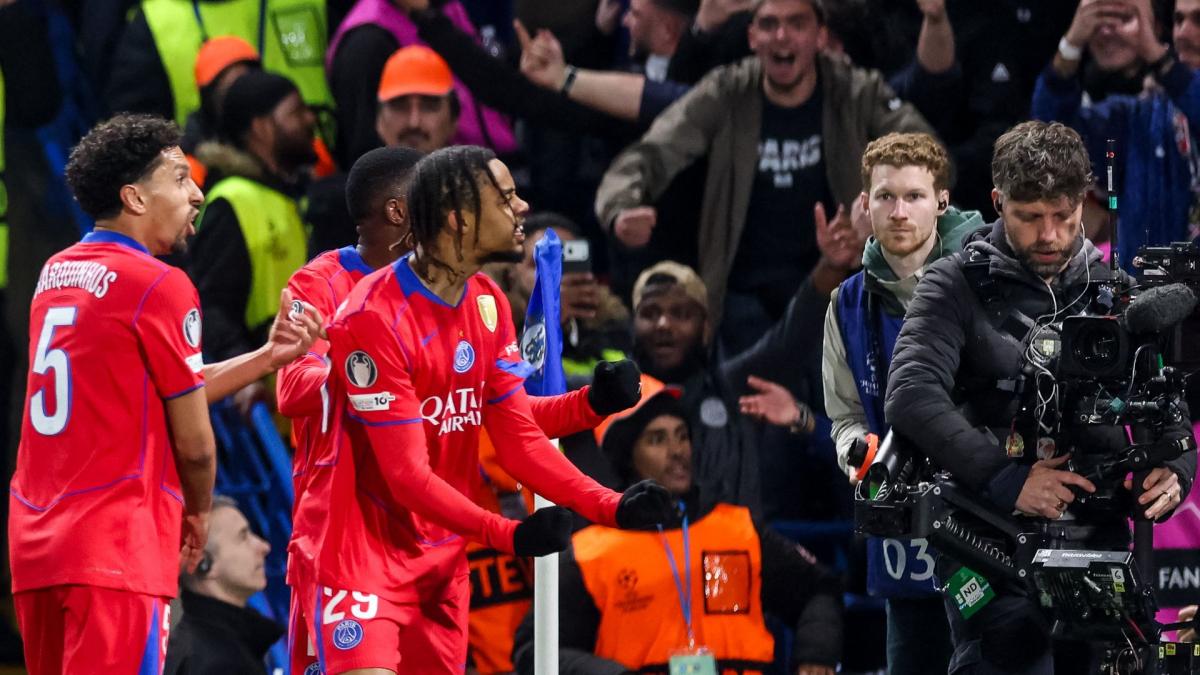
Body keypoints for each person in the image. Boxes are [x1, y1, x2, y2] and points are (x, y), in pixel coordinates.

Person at [279, 146, 643, 675]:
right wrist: (361, 382)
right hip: (352, 543)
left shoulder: (484, 300)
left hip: (440, 546)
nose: (521, 208)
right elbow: (292, 392)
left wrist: (592, 406)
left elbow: (504, 419)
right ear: (411, 209)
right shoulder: (333, 292)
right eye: (504, 197)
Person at [8, 113, 320, 675]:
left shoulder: (55, 273)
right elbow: (196, 444)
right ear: (134, 197)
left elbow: (171, 387)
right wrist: (198, 514)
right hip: (116, 547)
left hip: (38, 548)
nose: (197, 193)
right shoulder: (159, 283)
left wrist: (265, 358)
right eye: (179, 179)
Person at [884, 120, 1197, 674]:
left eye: (1062, 215)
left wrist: (1175, 470)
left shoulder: (1119, 291)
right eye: (1029, 217)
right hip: (991, 542)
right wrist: (1009, 480)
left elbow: (1168, 407)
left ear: (1083, 204)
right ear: (998, 202)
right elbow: (910, 393)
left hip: (1099, 538)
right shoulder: (951, 284)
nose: (1049, 235)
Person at [595, 0, 931, 353]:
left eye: (796, 23)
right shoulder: (727, 90)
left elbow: (928, 156)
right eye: (769, 24)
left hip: (839, 284)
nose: (781, 36)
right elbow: (651, 152)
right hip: (742, 296)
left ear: (820, 36)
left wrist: (881, 205)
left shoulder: (855, 89)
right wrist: (621, 207)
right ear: (752, 37)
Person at [511, 387, 843, 674]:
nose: (677, 451)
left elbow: (819, 588)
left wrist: (816, 654)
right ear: (629, 458)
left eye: (682, 436)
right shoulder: (590, 552)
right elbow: (533, 651)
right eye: (657, 439)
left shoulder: (739, 530)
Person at [822, 132, 981, 674]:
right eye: (885, 196)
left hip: (986, 520)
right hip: (903, 535)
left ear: (942, 201)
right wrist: (856, 452)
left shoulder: (987, 282)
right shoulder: (846, 304)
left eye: (914, 196)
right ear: (865, 204)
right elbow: (844, 416)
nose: (899, 212)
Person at [1032, 0, 1200, 271]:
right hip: (1147, 290)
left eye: (1198, 21)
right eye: (1179, 20)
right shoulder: (1142, 115)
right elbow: (1050, 135)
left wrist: (1160, 60)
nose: (1182, 33)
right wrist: (1071, 45)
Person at [189, 71, 317, 364]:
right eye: (295, 112)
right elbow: (211, 304)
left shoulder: (295, 193)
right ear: (261, 128)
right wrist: (243, 375)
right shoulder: (232, 201)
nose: (309, 119)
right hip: (268, 383)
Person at [165, 497, 282, 675]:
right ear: (203, 564)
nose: (264, 547)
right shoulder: (218, 664)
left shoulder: (198, 647)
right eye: (243, 537)